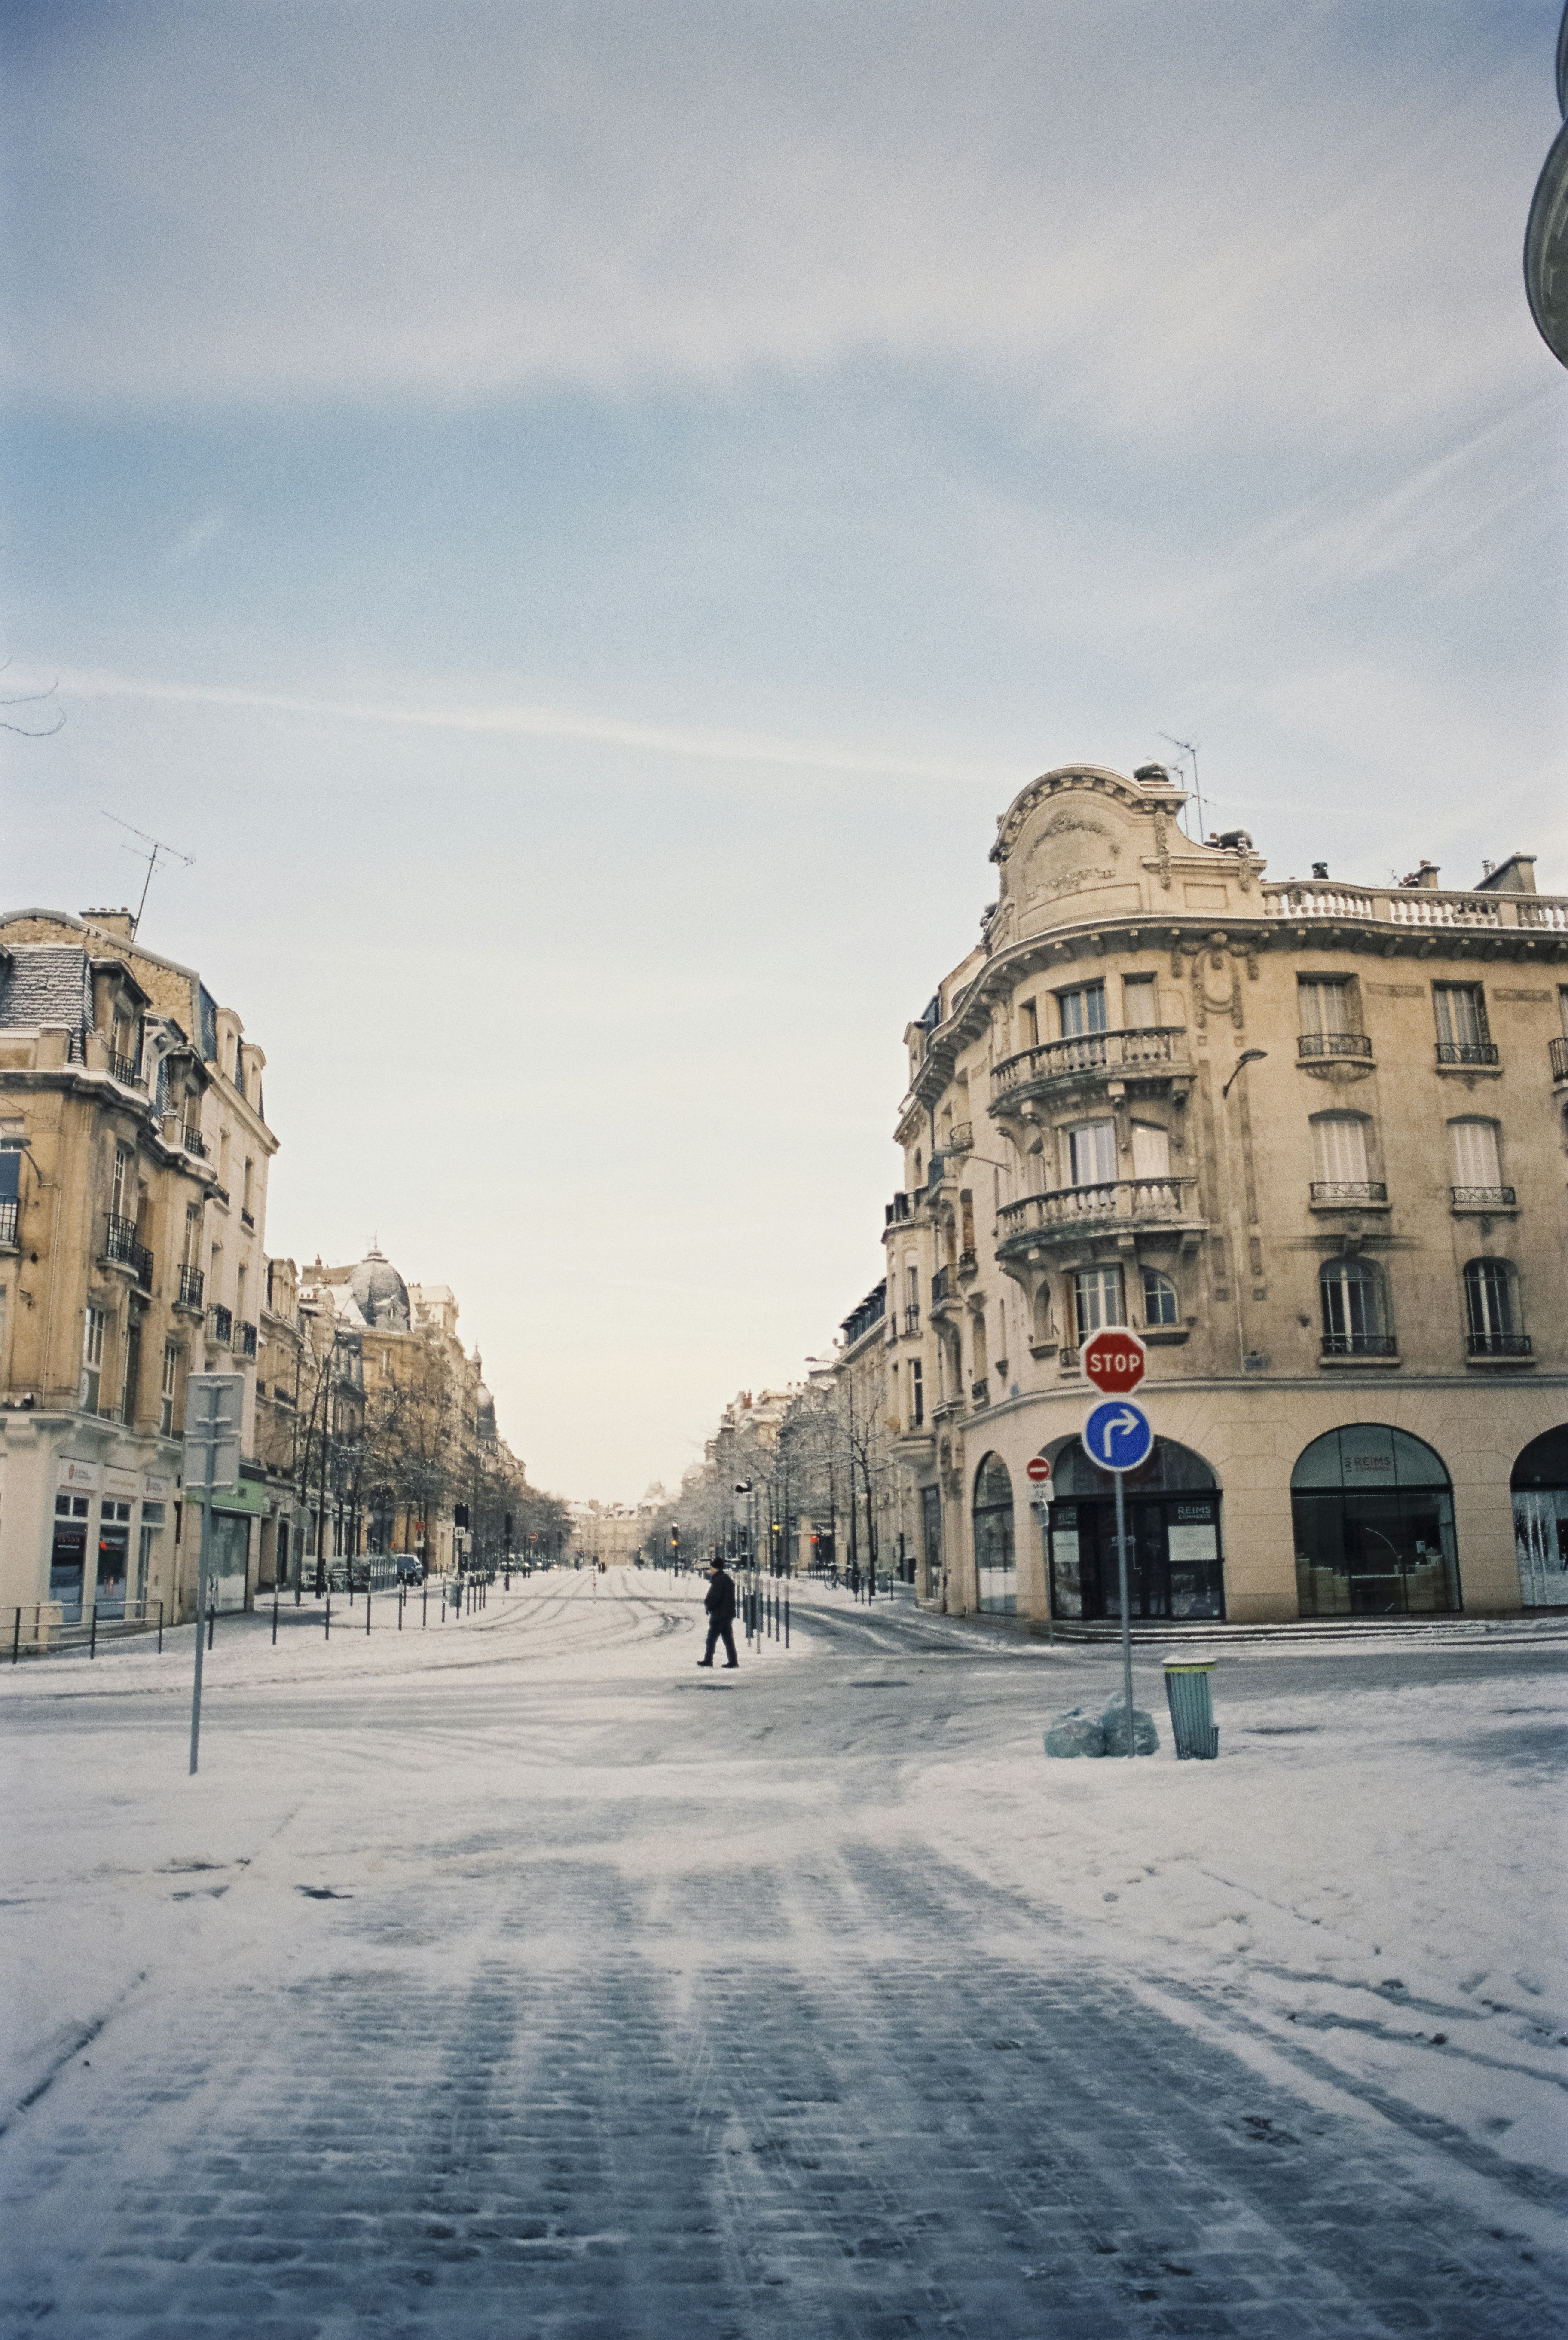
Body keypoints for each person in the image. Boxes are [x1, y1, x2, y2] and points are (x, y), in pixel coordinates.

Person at [698, 1557, 739, 1669]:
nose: (710, 1569)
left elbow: (715, 1597)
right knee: (728, 1639)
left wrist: (709, 1605)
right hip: (727, 1614)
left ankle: (708, 1660)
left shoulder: (719, 1580)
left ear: (716, 1568)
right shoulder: (725, 1579)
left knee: (711, 1639)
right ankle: (733, 1661)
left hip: (720, 1615)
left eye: (712, 1567)